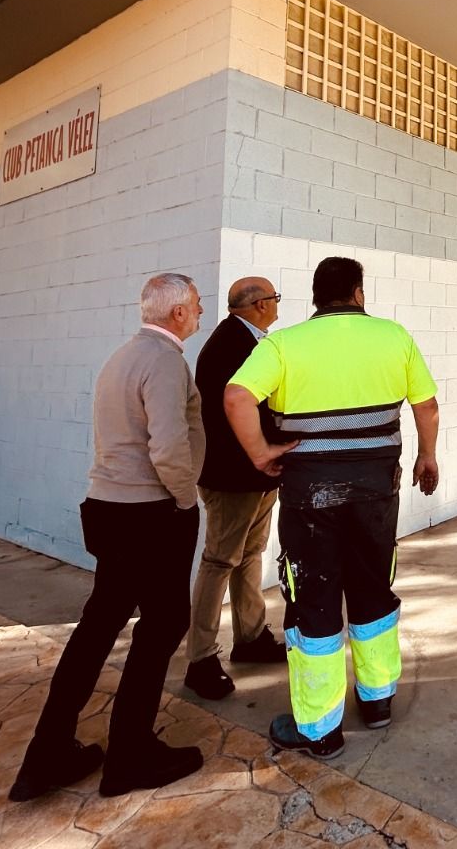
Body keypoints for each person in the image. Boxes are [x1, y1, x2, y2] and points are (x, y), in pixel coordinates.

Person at [224, 255, 439, 760]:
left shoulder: (284, 343)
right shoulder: (394, 337)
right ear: (358, 293)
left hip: (310, 498)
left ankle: (320, 727)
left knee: (315, 600)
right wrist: (427, 456)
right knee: (372, 588)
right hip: (376, 495)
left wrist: (260, 454)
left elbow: (236, 397)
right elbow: (425, 406)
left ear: (316, 297)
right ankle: (378, 698)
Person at [10, 272, 207, 801]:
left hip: (108, 508)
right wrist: (186, 500)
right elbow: (167, 447)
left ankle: (46, 751)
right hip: (150, 512)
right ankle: (130, 755)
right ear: (178, 313)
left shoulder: (121, 356)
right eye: (197, 305)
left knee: (99, 625)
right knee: (164, 624)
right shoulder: (165, 360)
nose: (201, 313)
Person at [183, 276, 289, 700]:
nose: (278, 304)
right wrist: (265, 452)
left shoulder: (247, 342)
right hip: (233, 478)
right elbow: (236, 412)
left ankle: (251, 636)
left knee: (250, 554)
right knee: (219, 560)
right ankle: (201, 657)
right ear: (259, 305)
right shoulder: (232, 345)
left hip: (256, 474)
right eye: (275, 298)